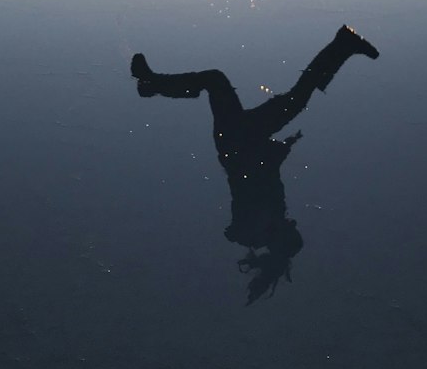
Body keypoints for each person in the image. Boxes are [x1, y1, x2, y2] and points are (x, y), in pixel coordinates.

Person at [130, 25, 380, 303]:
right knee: (281, 94)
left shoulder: (256, 225)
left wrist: (277, 154)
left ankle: (152, 83)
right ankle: (342, 45)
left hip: (238, 141)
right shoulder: (270, 218)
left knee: (236, 84)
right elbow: (266, 173)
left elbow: (250, 188)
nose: (293, 222)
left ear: (281, 237)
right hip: (245, 140)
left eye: (291, 228)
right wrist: (283, 148)